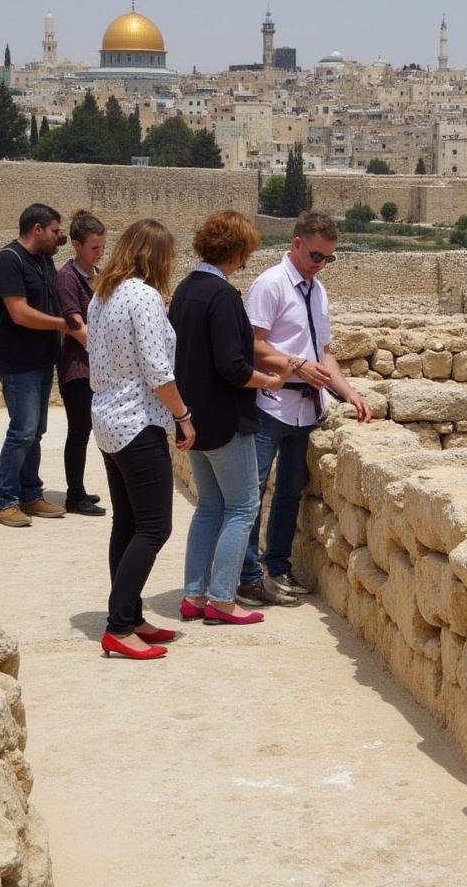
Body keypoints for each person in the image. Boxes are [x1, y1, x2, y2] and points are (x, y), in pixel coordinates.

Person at [238, 211, 371, 604]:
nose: (321, 264)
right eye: (316, 256)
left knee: (290, 493)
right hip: (270, 404)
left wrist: (348, 393)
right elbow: (253, 345)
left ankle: (277, 567)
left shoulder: (318, 289)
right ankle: (247, 576)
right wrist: (296, 365)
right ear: (296, 244)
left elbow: (324, 351)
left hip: (308, 408)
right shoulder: (270, 285)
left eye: (328, 258)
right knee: (253, 492)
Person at [170, 210, 287, 626]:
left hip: (192, 418)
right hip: (224, 419)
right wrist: (271, 381)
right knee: (242, 507)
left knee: (209, 507)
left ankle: (193, 595)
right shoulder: (222, 297)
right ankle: (222, 599)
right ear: (236, 251)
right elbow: (232, 366)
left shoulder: (185, 290)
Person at [87, 218, 194, 660]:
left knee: (127, 523)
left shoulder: (103, 294)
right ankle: (117, 626)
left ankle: (130, 615)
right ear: (158, 257)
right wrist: (184, 415)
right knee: (154, 527)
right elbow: (158, 372)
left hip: (108, 419)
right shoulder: (145, 297)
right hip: (138, 422)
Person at [0, 203, 71, 528]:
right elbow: (19, 313)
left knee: (35, 432)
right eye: (54, 230)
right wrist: (63, 325)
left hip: (41, 359)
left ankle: (30, 493)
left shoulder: (44, 260)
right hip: (18, 361)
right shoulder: (7, 260)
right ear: (37, 228)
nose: (58, 236)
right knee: (22, 431)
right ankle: (5, 500)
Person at [53, 210, 107, 517]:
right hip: (78, 369)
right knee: (79, 431)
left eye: (101, 247)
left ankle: (79, 490)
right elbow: (75, 324)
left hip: (95, 367)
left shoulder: (94, 275)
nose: (99, 253)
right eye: (94, 248)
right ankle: (74, 496)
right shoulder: (66, 278)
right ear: (76, 245)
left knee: (87, 430)